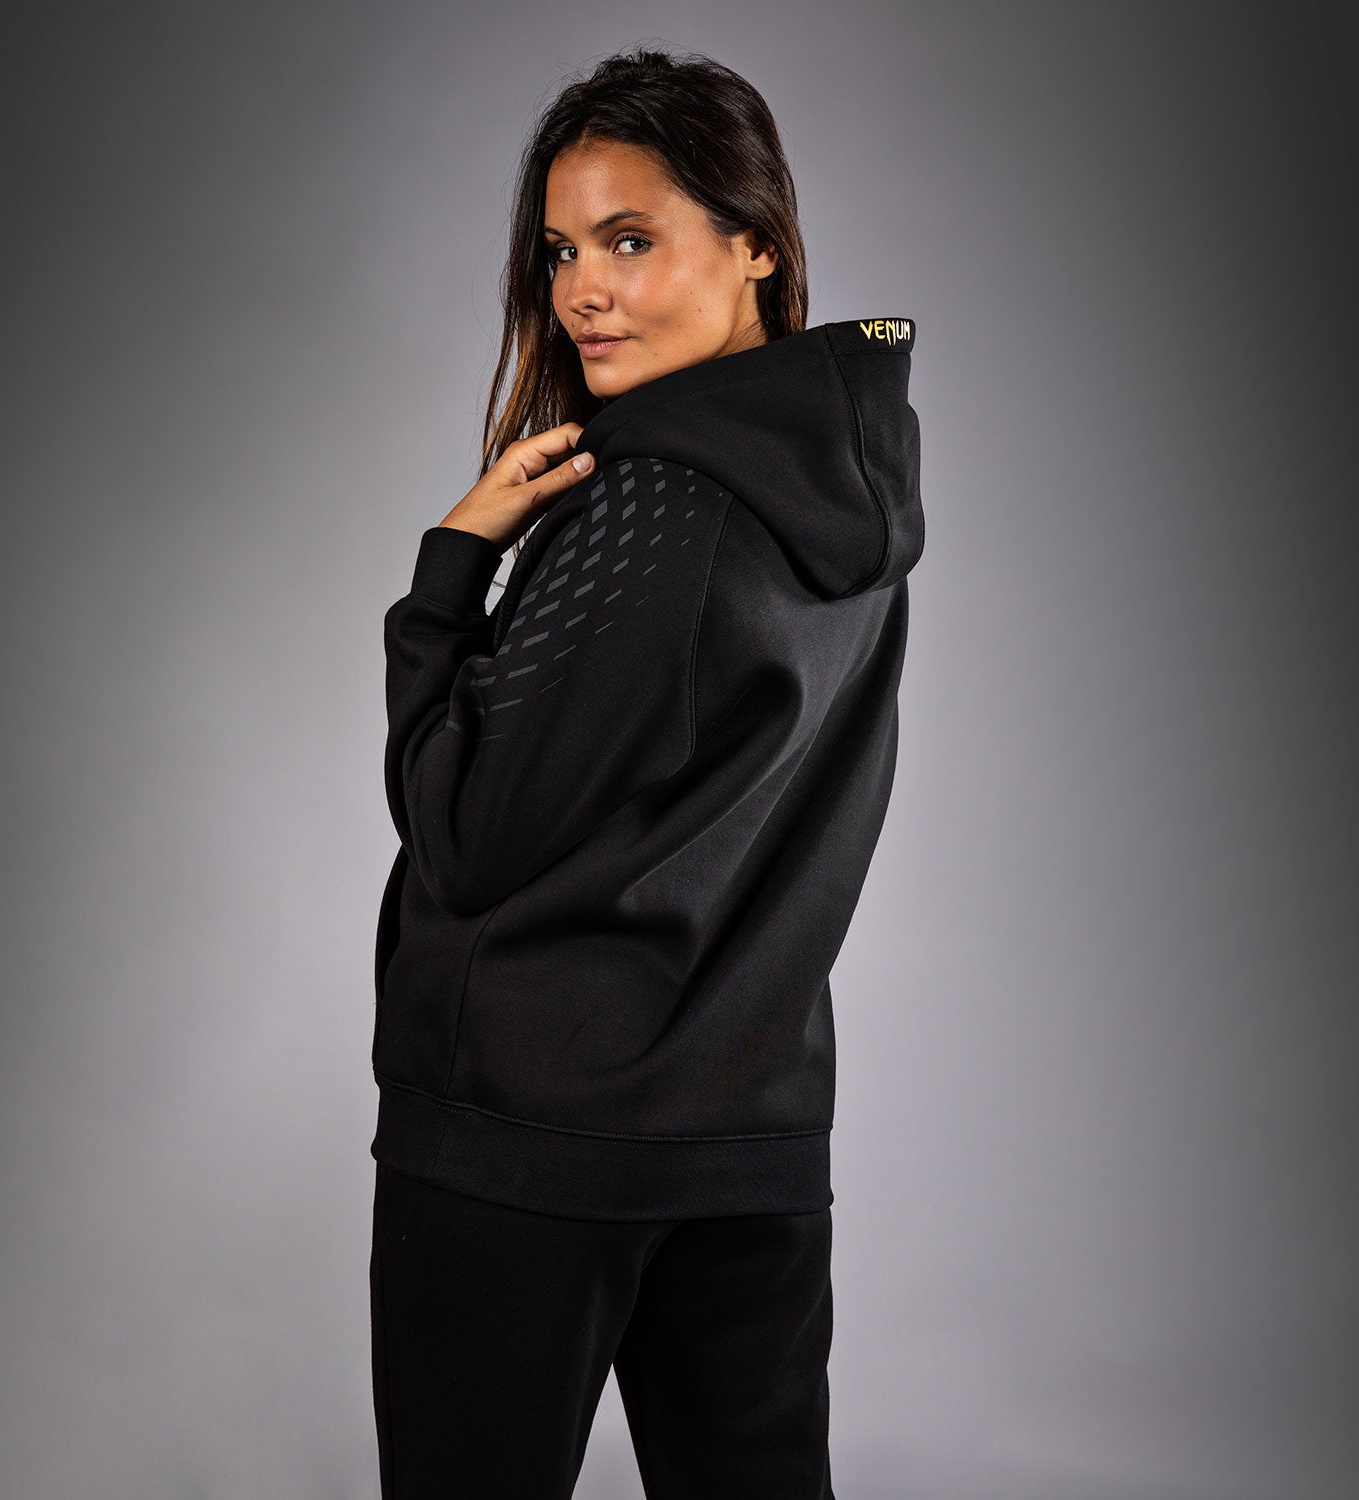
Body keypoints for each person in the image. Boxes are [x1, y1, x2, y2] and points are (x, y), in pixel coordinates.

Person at [368, 45, 923, 1500]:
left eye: (629, 240)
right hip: (750, 1133)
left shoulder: (655, 506)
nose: (580, 292)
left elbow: (465, 835)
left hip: (527, 1146)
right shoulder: (847, 495)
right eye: (561, 251)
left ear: (757, 247)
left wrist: (449, 577)